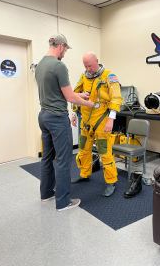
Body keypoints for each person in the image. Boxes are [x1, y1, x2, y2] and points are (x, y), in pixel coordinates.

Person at [35, 34, 94, 212]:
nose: (65, 53)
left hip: (43, 116)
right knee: (63, 159)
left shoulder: (40, 65)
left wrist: (80, 95)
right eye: (66, 49)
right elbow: (69, 97)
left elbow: (58, 92)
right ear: (60, 46)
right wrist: (88, 103)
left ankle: (46, 193)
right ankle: (63, 202)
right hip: (57, 119)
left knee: (47, 157)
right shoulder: (59, 66)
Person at [71, 52, 122, 197]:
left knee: (105, 152)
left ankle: (111, 181)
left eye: (90, 65)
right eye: (85, 66)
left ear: (97, 62)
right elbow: (75, 94)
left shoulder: (109, 76)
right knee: (83, 150)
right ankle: (84, 173)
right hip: (86, 121)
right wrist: (74, 113)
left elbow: (116, 98)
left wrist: (111, 119)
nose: (88, 68)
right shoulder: (83, 76)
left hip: (102, 120)